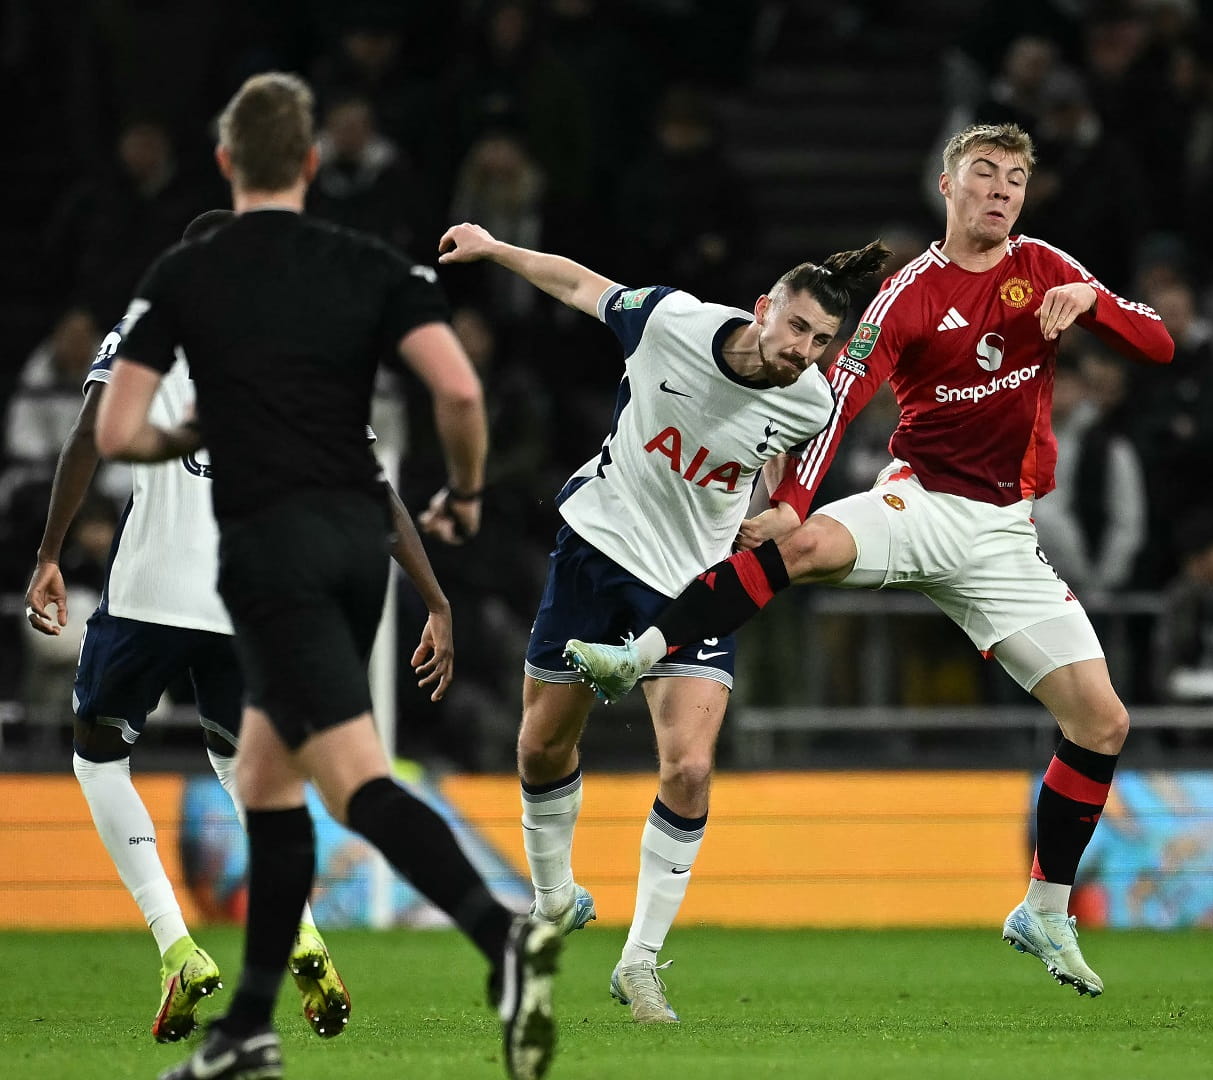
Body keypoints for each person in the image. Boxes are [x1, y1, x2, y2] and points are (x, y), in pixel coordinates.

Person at [567, 122, 1174, 997]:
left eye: (1015, 180)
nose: (1001, 191)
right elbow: (843, 399)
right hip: (920, 502)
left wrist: (1097, 305)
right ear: (948, 185)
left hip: (1004, 533)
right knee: (803, 547)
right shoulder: (908, 296)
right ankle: (641, 653)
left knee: (1103, 722)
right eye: (984, 174)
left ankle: (1043, 909)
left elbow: (1158, 343)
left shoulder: (1046, 268)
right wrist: (790, 504)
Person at [93, 73, 559, 1080]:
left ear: (225, 163)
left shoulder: (188, 272)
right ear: (311, 165)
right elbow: (459, 389)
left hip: (274, 550)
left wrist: (184, 431)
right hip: (357, 545)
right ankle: (247, 1034)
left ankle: (502, 934)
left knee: (348, 784)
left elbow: (116, 430)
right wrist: (468, 497)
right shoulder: (367, 264)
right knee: (263, 775)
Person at [23, 207, 460, 1044]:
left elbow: (87, 435)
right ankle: (298, 929)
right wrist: (436, 599)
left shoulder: (152, 327)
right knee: (244, 768)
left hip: (150, 595)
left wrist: (48, 552)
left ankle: (176, 945)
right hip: (245, 607)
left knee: (98, 758)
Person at [433, 220, 887, 1023]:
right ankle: (554, 895)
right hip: (598, 548)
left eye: (820, 341)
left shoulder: (809, 400)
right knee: (541, 745)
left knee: (688, 768)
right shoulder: (672, 322)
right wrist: (496, 248)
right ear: (763, 308)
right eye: (796, 329)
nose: (803, 352)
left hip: (690, 585)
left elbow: (783, 458)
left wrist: (779, 510)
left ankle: (639, 962)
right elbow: (579, 284)